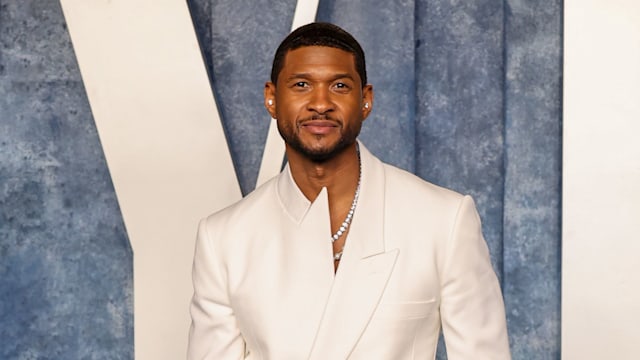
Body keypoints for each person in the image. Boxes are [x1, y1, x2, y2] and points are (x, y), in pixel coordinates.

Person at [187, 22, 510, 359]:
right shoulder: (224, 238)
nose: (320, 103)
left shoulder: (444, 220)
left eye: (339, 85)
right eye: (301, 85)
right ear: (271, 98)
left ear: (365, 100)